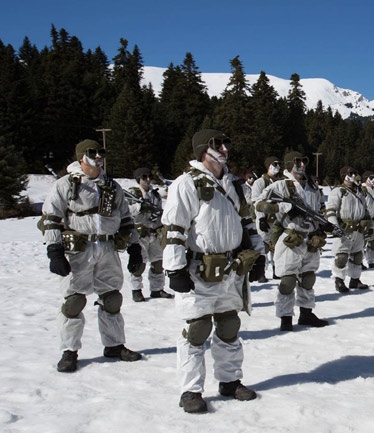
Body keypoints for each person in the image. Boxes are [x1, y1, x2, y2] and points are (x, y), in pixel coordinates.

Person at [161, 129, 259, 413]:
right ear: (204, 149)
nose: (225, 149)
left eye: (227, 143)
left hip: (230, 269)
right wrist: (175, 268)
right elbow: (175, 229)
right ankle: (190, 390)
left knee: (229, 326)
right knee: (197, 329)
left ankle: (229, 380)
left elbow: (248, 224)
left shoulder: (235, 185)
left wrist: (258, 255)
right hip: (197, 271)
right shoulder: (186, 183)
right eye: (218, 144)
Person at [41, 139, 143, 373]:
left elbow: (127, 219)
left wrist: (134, 247)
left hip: (107, 249)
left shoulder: (111, 186)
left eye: (101, 152)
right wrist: (54, 250)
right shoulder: (66, 185)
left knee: (112, 298)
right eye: (92, 153)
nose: (98, 156)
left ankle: (114, 345)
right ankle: (69, 351)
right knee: (74, 301)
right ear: (80, 158)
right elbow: (51, 217)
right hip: (79, 251)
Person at [255, 151, 330, 331]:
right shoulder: (281, 186)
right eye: (298, 162)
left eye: (304, 161)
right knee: (288, 281)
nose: (302, 165)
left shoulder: (313, 186)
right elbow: (259, 204)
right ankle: (285, 317)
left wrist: (324, 224)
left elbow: (321, 208)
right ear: (289, 164)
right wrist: (284, 207)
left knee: (308, 278)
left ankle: (306, 313)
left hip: (311, 238)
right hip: (291, 237)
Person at [128, 167, 173, 302]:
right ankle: (136, 290)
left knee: (158, 262)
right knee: (139, 264)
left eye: (149, 176)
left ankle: (157, 289)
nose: (148, 179)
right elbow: (126, 211)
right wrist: (139, 207)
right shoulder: (133, 193)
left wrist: (158, 215)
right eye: (144, 177)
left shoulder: (155, 194)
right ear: (138, 179)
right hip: (140, 234)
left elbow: (159, 210)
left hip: (155, 232)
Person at [326, 166, 371, 292]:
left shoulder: (360, 191)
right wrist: (334, 226)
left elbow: (365, 210)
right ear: (344, 176)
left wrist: (369, 225)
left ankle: (355, 280)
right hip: (345, 229)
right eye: (350, 173)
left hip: (359, 228)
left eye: (355, 173)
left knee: (357, 256)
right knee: (342, 256)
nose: (353, 175)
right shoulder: (339, 191)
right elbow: (331, 210)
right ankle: (339, 280)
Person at [249, 157, 284, 283]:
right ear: (268, 166)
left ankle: (277, 270)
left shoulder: (280, 182)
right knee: (263, 246)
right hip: (264, 219)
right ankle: (261, 272)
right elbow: (256, 202)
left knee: (277, 246)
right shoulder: (260, 182)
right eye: (275, 164)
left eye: (279, 164)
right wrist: (261, 218)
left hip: (277, 219)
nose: (278, 166)